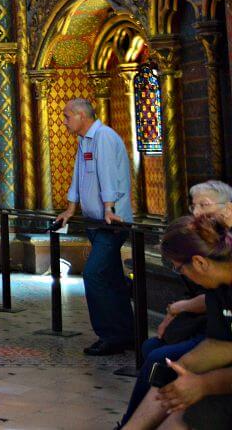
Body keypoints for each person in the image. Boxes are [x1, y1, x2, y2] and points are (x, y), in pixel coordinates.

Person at [118, 181, 232, 427]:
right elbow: (221, 345)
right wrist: (181, 368)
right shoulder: (218, 287)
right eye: (195, 206)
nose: (199, 212)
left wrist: (203, 384)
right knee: (167, 377)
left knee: (180, 421)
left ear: (200, 263)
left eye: (179, 268)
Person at [55, 97, 134, 356]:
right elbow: (79, 176)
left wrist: (109, 207)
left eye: (67, 116)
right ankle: (126, 333)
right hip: (95, 222)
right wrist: (70, 208)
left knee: (94, 274)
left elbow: (108, 173)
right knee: (111, 277)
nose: (64, 122)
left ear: (81, 115)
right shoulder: (84, 140)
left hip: (111, 223)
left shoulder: (104, 137)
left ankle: (110, 336)